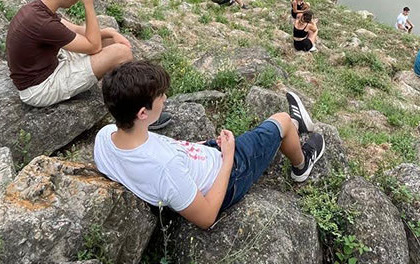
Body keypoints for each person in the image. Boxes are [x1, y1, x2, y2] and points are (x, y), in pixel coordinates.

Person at [93, 61, 326, 229]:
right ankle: (301, 164)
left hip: (203, 160)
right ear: (143, 113)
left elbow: (153, 155)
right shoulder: (166, 168)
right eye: (160, 96)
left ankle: (296, 126)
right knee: (281, 121)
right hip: (230, 175)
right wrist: (227, 158)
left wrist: (198, 147)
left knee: (275, 129)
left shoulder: (105, 137)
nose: (164, 99)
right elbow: (206, 217)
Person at [6, 0, 134, 108]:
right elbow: (94, 46)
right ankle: (129, 106)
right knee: (122, 53)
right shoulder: (43, 23)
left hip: (46, 68)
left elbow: (77, 30)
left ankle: (117, 90)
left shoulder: (37, 9)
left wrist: (110, 33)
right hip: (39, 89)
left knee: (109, 39)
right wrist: (89, 4)